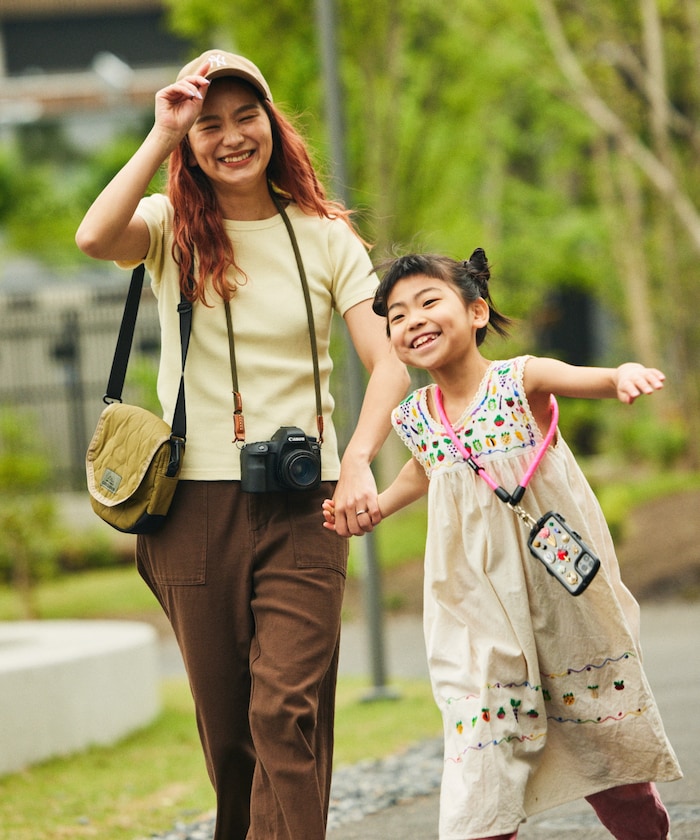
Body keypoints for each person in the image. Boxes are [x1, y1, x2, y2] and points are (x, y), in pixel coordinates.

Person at [76, 49, 409, 840]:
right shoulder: (168, 229)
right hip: (194, 508)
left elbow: (389, 358)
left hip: (306, 504)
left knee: (285, 713)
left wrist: (358, 456)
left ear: (273, 124)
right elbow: (93, 237)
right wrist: (160, 133)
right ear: (191, 141)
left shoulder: (326, 237)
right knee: (230, 741)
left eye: (246, 116)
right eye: (210, 124)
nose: (231, 136)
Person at [323, 250, 682, 840]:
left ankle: (644, 827)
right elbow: (428, 468)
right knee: (481, 741)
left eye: (428, 302)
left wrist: (620, 376)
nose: (411, 320)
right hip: (476, 605)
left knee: (597, 728)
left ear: (476, 311)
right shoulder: (413, 414)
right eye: (395, 316)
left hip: (558, 595)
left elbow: (584, 379)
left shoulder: (521, 379)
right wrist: (373, 510)